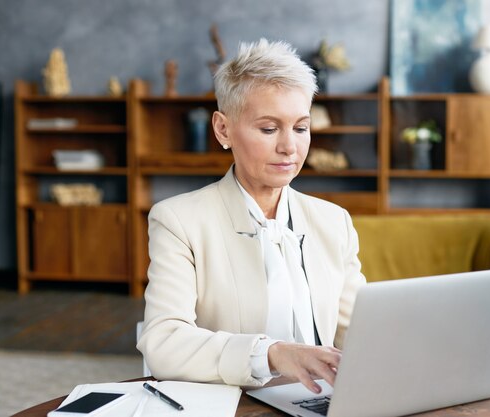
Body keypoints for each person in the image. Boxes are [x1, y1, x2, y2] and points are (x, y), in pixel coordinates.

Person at [137, 39, 366, 394]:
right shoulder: (178, 220)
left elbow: (362, 335)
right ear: (223, 129)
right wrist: (272, 354)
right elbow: (164, 343)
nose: (289, 147)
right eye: (269, 129)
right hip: (231, 404)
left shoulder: (334, 221)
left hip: (324, 401)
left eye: (301, 128)